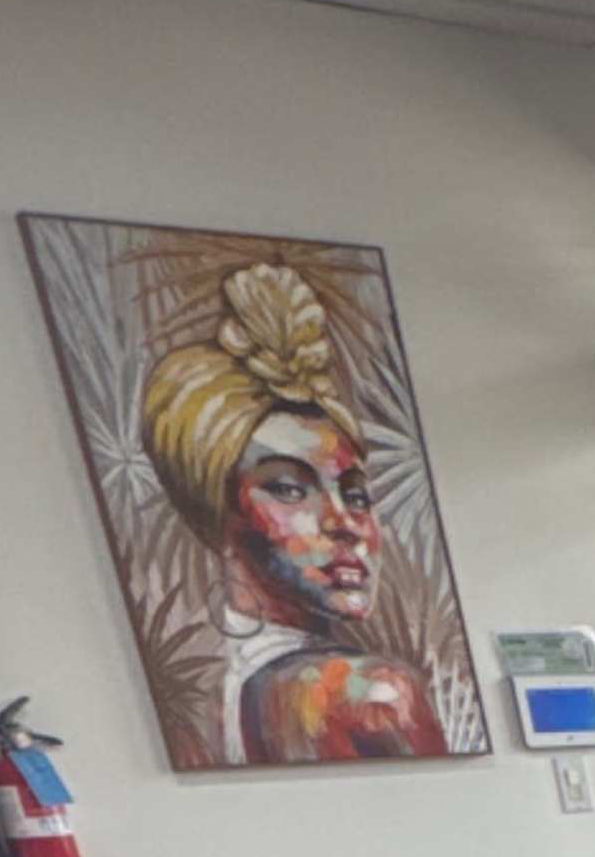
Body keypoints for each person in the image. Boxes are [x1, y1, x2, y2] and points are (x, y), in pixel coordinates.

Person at [138, 263, 449, 761]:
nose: (344, 524)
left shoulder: (218, 705)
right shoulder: (373, 693)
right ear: (220, 514)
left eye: (356, 496)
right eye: (288, 489)